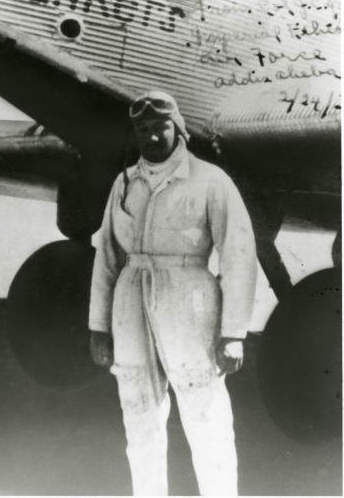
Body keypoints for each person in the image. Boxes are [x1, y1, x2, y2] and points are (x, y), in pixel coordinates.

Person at [88, 90, 257, 496]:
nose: (150, 136)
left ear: (178, 128)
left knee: (205, 412)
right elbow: (108, 255)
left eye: (159, 127)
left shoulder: (210, 181)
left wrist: (233, 331)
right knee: (138, 411)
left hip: (189, 299)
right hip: (131, 301)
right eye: (142, 129)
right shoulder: (125, 182)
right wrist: (99, 325)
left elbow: (238, 253)